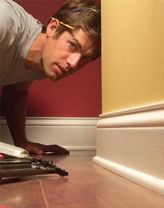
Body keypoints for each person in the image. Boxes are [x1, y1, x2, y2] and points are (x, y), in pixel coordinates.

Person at [0, 0, 101, 155]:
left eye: (85, 58)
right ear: (53, 28)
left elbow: (16, 91)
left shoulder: (45, 62)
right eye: (72, 45)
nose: (73, 63)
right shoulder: (4, 22)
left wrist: (21, 142)